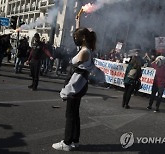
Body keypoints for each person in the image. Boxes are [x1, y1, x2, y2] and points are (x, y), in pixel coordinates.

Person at [52, 10, 96, 151]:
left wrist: (66, 91)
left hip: (77, 84)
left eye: (76, 36)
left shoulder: (83, 52)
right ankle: (75, 141)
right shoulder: (87, 48)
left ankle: (67, 143)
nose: (74, 38)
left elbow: (76, 73)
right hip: (81, 85)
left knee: (70, 115)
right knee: (74, 114)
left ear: (83, 38)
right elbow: (80, 37)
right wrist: (78, 20)